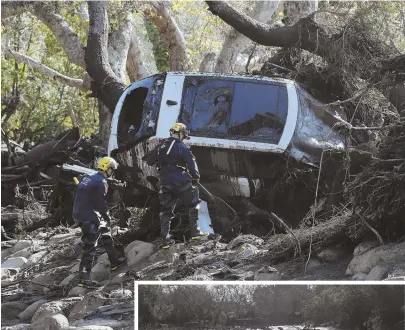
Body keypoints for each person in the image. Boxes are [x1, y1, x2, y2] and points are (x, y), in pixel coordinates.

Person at [145, 123, 218, 249]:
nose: (184, 138)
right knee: (194, 204)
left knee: (166, 211)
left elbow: (150, 161)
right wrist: (195, 177)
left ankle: (166, 240)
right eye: (184, 135)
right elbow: (191, 164)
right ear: (180, 133)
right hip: (181, 182)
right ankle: (196, 233)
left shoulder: (160, 146)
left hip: (165, 183)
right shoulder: (181, 147)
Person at [73, 156, 126, 286]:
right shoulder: (101, 182)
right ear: (108, 169)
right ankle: (83, 280)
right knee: (90, 247)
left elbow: (79, 191)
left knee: (106, 234)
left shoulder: (87, 176)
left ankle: (114, 263)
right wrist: (107, 216)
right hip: (90, 216)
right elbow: (100, 204)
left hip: (79, 211)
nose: (112, 173)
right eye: (112, 170)